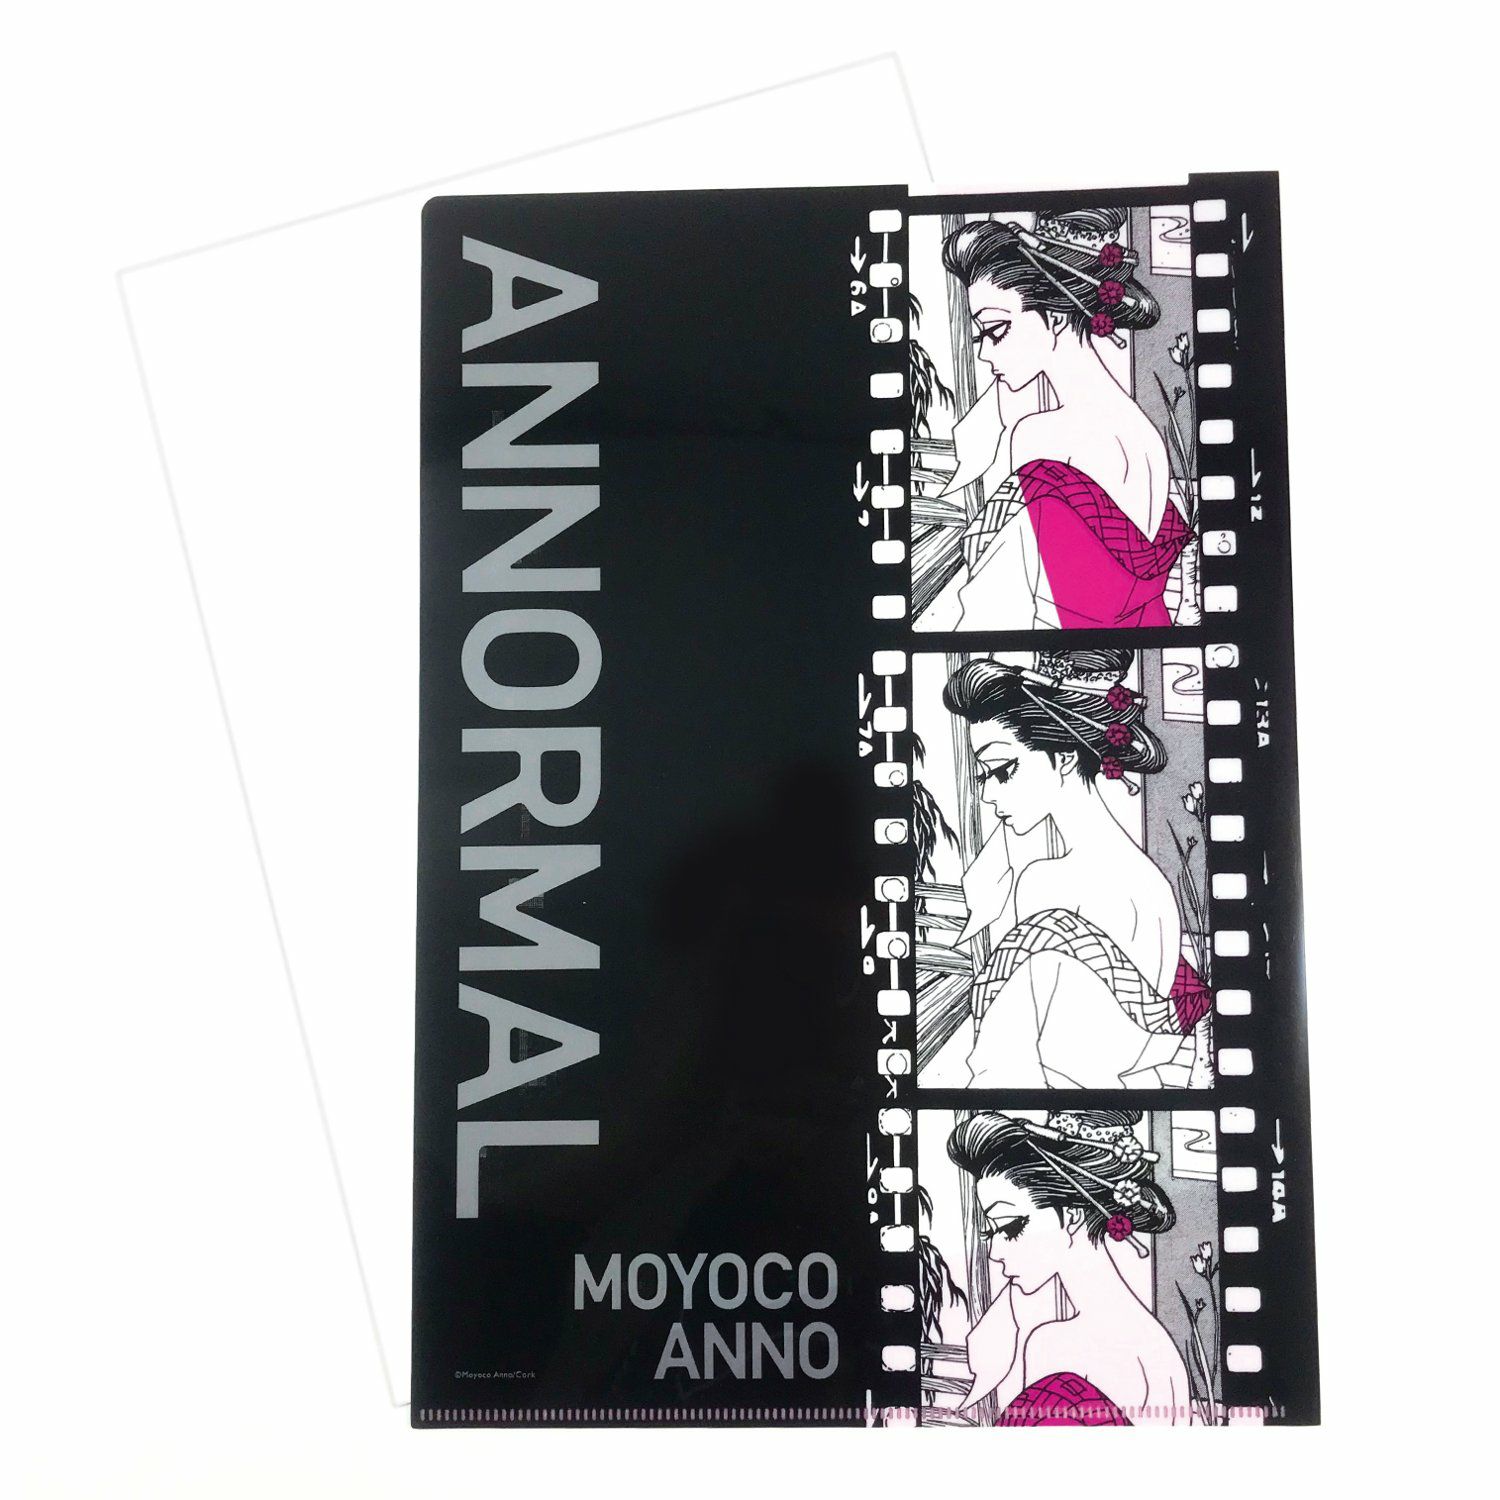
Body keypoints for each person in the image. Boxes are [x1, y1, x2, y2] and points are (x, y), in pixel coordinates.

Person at [944, 650, 1210, 1088]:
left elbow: (1055, 1058)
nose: (988, 795)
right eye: (983, 776)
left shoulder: (1050, 882)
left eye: (1003, 770)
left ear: (1065, 757)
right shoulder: (1144, 876)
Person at [940, 210, 1191, 629]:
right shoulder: (1145, 435)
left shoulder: (1038, 435)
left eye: (996, 330)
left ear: (1055, 317)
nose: (984, 353)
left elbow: (997, 603)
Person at [948, 1110, 1193, 1425]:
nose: (995, 1252)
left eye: (1010, 1226)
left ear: (1073, 1215)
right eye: (990, 1232)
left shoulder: (1056, 1344)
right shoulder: (1158, 1346)